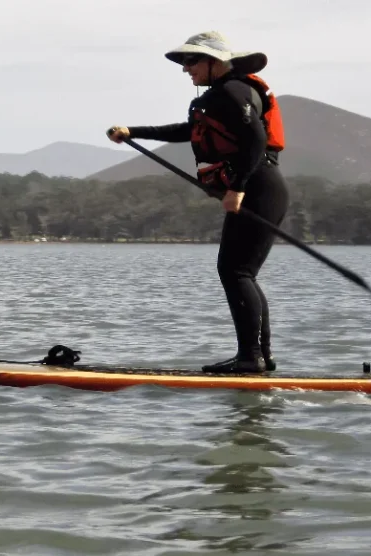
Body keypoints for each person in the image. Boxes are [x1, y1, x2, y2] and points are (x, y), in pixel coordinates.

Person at [108, 31, 289, 374]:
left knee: (236, 271)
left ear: (214, 61)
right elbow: (186, 130)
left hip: (259, 184)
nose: (185, 69)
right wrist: (133, 131)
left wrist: (237, 188)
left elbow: (255, 139)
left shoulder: (235, 91)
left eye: (191, 61)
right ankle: (258, 357)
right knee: (241, 272)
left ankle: (252, 358)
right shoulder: (219, 96)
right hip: (256, 184)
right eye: (184, 62)